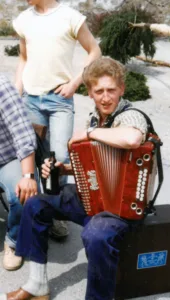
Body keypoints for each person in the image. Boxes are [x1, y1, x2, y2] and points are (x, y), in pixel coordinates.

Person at [0, 58, 149, 300]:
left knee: (96, 235)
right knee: (36, 203)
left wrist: (89, 133)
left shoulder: (131, 115)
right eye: (98, 91)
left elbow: (132, 139)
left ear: (121, 89)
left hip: (120, 209)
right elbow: (93, 167)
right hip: (94, 199)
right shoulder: (96, 117)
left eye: (111, 90)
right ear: (90, 93)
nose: (105, 97)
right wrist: (63, 169)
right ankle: (37, 283)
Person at [12, 0, 101, 238]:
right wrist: (15, 94)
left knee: (58, 160)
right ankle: (43, 212)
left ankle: (57, 213)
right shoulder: (24, 20)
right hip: (31, 100)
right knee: (36, 158)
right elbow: (23, 59)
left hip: (59, 101)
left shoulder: (71, 17)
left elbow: (94, 50)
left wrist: (75, 83)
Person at [0, 75, 38, 271]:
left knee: (22, 194)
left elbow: (22, 134)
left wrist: (28, 177)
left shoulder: (2, 86)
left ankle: (13, 240)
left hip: (8, 157)